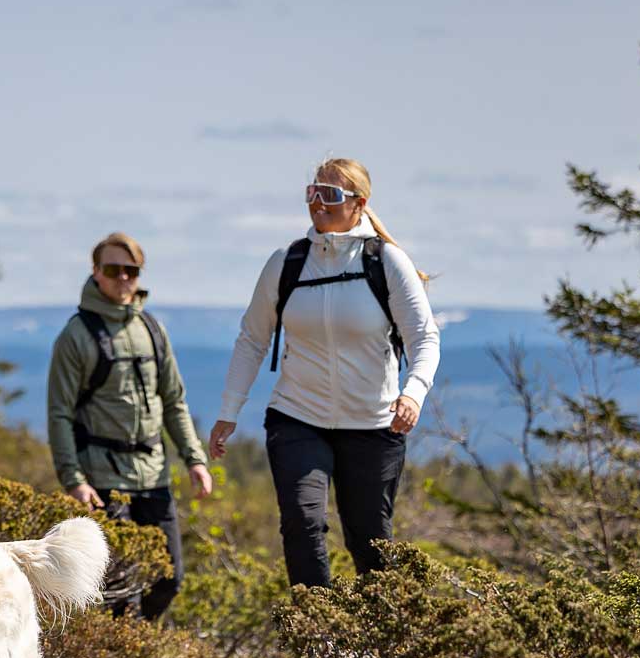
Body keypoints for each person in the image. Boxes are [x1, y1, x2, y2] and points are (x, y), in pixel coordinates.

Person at [208, 159, 440, 588]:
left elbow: (425, 338)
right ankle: (319, 637)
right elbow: (252, 339)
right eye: (312, 192)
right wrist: (229, 411)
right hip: (297, 416)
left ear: (359, 203)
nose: (318, 203)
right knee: (302, 522)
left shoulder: (387, 262)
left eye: (330, 194)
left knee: (371, 543)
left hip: (373, 423)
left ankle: (379, 639)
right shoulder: (288, 262)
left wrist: (413, 394)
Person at [46, 232, 212, 620]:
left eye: (131, 270)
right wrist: (74, 479)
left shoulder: (153, 329)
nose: (123, 278)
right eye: (113, 269)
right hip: (103, 479)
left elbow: (174, 401)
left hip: (154, 476)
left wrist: (195, 460)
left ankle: (135, 646)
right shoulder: (76, 335)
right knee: (117, 585)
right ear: (96, 272)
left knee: (168, 580)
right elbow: (60, 414)